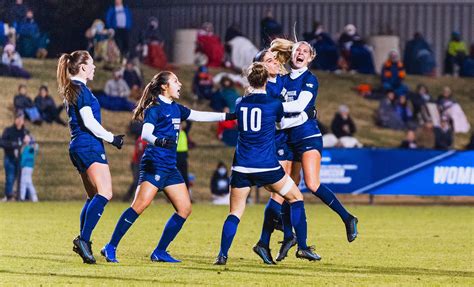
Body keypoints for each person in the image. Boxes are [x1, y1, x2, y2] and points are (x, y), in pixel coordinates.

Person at [101, 71, 235, 263]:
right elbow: (146, 134)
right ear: (164, 86)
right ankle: (110, 246)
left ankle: (160, 251)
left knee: (184, 209)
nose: (179, 84)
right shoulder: (154, 108)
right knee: (139, 206)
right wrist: (160, 141)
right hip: (154, 164)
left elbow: (199, 115)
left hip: (170, 168)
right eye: (175, 81)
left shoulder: (176, 108)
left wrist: (228, 116)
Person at [214, 62, 320, 266]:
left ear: (248, 79)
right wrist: (308, 115)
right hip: (267, 166)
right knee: (296, 198)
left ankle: (222, 255)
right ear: (266, 80)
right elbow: (283, 124)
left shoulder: (239, 103)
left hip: (241, 167)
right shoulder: (274, 103)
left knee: (235, 213)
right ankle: (303, 247)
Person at [270, 38, 358, 258]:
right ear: (291, 55)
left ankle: (347, 218)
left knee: (312, 183)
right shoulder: (281, 80)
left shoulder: (310, 79)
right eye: (297, 49)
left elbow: (300, 107)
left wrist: (273, 109)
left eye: (305, 51)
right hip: (286, 139)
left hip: (308, 136)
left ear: (310, 58)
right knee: (288, 190)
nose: (300, 52)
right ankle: (292, 238)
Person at [57, 50, 125, 264]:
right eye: (92, 64)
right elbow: (89, 122)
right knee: (105, 193)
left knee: (92, 196)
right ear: (83, 67)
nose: (95, 67)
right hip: (88, 145)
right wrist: (112, 138)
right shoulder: (81, 90)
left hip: (77, 146)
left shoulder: (74, 89)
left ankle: (84, 242)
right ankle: (84, 240)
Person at [1, 111, 28, 201]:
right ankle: (9, 196)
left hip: (21, 159)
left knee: (20, 178)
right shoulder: (8, 130)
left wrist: (28, 141)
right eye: (18, 118)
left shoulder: (25, 132)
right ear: (15, 119)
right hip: (10, 158)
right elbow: (2, 142)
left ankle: (19, 196)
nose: (20, 121)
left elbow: (31, 144)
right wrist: (14, 144)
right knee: (10, 177)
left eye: (22, 119)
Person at [19, 133, 38, 202]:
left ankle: (23, 197)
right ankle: (25, 197)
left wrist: (22, 164)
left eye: (26, 137)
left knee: (25, 182)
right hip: (26, 166)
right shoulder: (26, 147)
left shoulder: (31, 148)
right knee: (27, 182)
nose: (25, 139)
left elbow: (26, 157)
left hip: (27, 166)